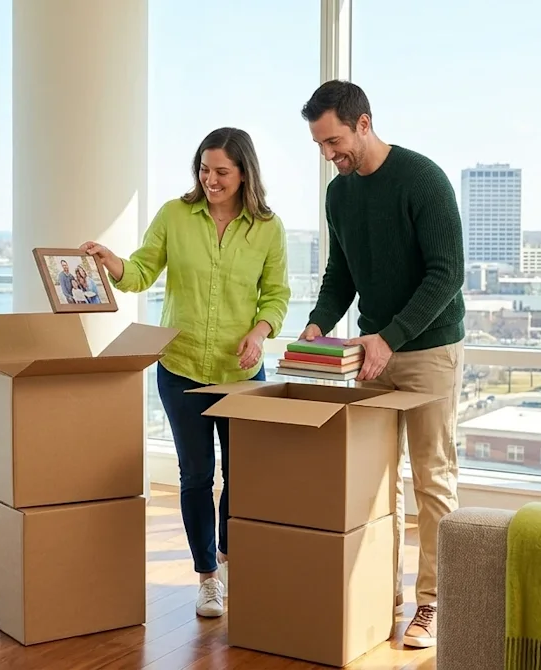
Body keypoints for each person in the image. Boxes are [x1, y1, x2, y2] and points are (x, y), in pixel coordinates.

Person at [81, 127, 290, 619]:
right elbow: (140, 272)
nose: (211, 179)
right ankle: (208, 578)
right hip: (181, 370)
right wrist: (112, 263)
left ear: (244, 174)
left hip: (241, 375)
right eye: (204, 169)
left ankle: (228, 550)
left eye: (221, 171)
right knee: (196, 476)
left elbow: (276, 296)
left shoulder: (268, 227)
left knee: (244, 476)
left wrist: (259, 333)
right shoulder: (175, 215)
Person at [299, 80, 465, 649]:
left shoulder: (423, 179)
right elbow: (340, 275)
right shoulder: (339, 195)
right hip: (373, 355)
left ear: (364, 123)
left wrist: (389, 338)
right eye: (321, 145)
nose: (329, 155)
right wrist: (319, 323)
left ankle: (434, 603)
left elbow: (447, 274)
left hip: (427, 350)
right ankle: (378, 591)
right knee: (374, 481)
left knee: (432, 477)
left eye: (335, 141)